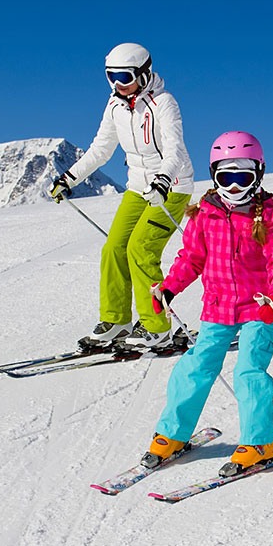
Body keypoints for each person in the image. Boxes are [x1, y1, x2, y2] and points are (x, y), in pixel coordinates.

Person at [140, 131, 273, 477]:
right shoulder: (204, 215)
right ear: (213, 175)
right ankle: (173, 434)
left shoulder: (270, 219)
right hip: (217, 308)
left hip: (259, 308)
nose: (233, 185)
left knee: (248, 372)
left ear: (258, 174)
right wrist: (169, 288)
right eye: (225, 176)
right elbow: (191, 259)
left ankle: (260, 442)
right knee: (194, 366)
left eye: (242, 176)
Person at [51, 43, 195, 350]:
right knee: (114, 248)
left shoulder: (164, 103)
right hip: (137, 188)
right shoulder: (115, 105)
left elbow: (175, 150)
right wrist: (69, 178)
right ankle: (116, 321)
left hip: (172, 186)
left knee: (140, 249)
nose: (118, 84)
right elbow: (101, 149)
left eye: (125, 76)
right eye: (111, 77)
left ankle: (158, 326)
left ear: (143, 74)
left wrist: (163, 181)